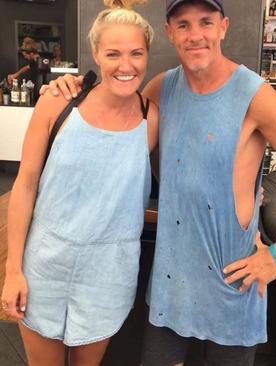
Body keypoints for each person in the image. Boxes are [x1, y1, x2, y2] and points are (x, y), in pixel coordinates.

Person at [46, 0, 276, 365]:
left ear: (223, 26)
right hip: (172, 283)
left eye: (205, 23)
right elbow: (115, 110)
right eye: (184, 25)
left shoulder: (255, 95)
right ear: (170, 32)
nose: (196, 35)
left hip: (232, 283)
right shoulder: (163, 89)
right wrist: (73, 88)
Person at [1, 1, 158, 365]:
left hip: (109, 272)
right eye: (113, 53)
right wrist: (13, 272)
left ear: (148, 54)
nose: (126, 65)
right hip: (46, 265)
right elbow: (24, 185)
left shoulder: (152, 119)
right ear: (96, 54)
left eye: (136, 53)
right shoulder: (58, 103)